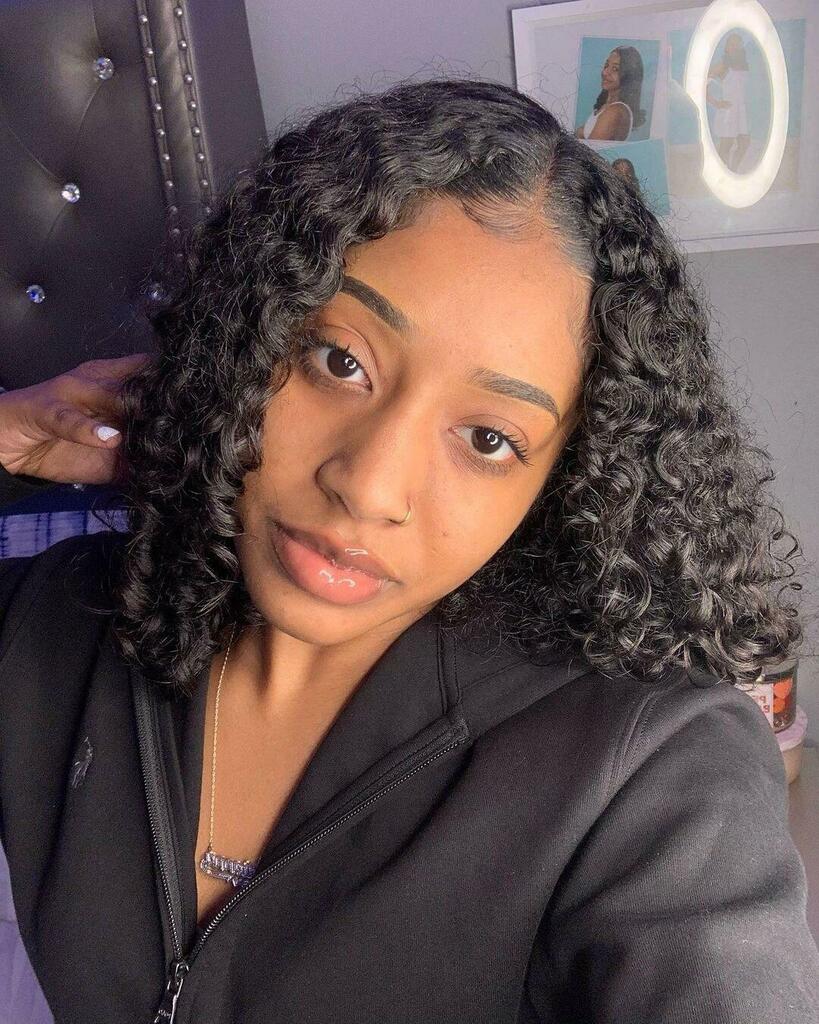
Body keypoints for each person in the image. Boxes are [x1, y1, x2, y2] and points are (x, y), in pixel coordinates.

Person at [0, 77, 817, 1024]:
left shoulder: (651, 766)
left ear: (563, 481)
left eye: (488, 439)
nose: (369, 486)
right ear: (250, 333)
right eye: (337, 361)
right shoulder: (58, 630)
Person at [575, 46, 646, 142]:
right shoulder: (606, 107)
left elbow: (588, 148)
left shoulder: (615, 111)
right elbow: (581, 133)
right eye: (606, 65)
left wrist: (579, 135)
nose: (605, 72)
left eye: (615, 69)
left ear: (629, 76)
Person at [706, 33, 752, 172]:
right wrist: (716, 103)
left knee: (744, 142)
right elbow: (702, 83)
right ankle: (721, 173)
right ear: (726, 47)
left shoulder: (743, 65)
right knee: (727, 144)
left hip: (741, 109)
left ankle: (733, 171)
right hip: (729, 111)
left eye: (737, 44)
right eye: (731, 44)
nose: (734, 47)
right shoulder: (723, 65)